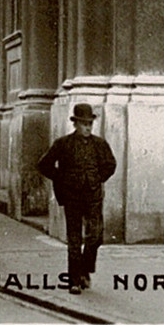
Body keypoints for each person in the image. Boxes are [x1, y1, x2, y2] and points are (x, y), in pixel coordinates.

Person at [36, 102, 116, 295]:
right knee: (74, 239)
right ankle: (74, 280)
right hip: (72, 197)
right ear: (76, 124)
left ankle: (84, 268)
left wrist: (98, 178)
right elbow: (43, 164)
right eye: (84, 123)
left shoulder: (100, 144)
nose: (88, 127)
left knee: (95, 236)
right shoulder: (63, 144)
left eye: (90, 123)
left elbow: (110, 165)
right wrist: (61, 178)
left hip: (93, 196)